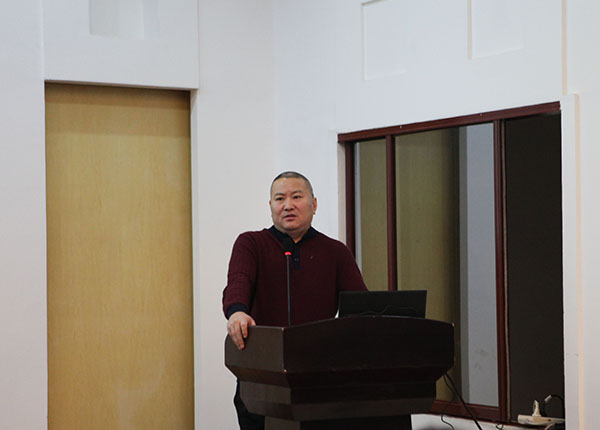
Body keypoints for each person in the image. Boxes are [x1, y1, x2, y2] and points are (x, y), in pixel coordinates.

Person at [222, 171, 367, 430]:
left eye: (296, 197)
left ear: (314, 204)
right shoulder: (251, 243)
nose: (288, 205)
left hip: (319, 378)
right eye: (280, 199)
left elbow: (360, 307)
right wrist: (237, 312)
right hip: (262, 377)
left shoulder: (335, 251)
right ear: (271, 206)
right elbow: (238, 281)